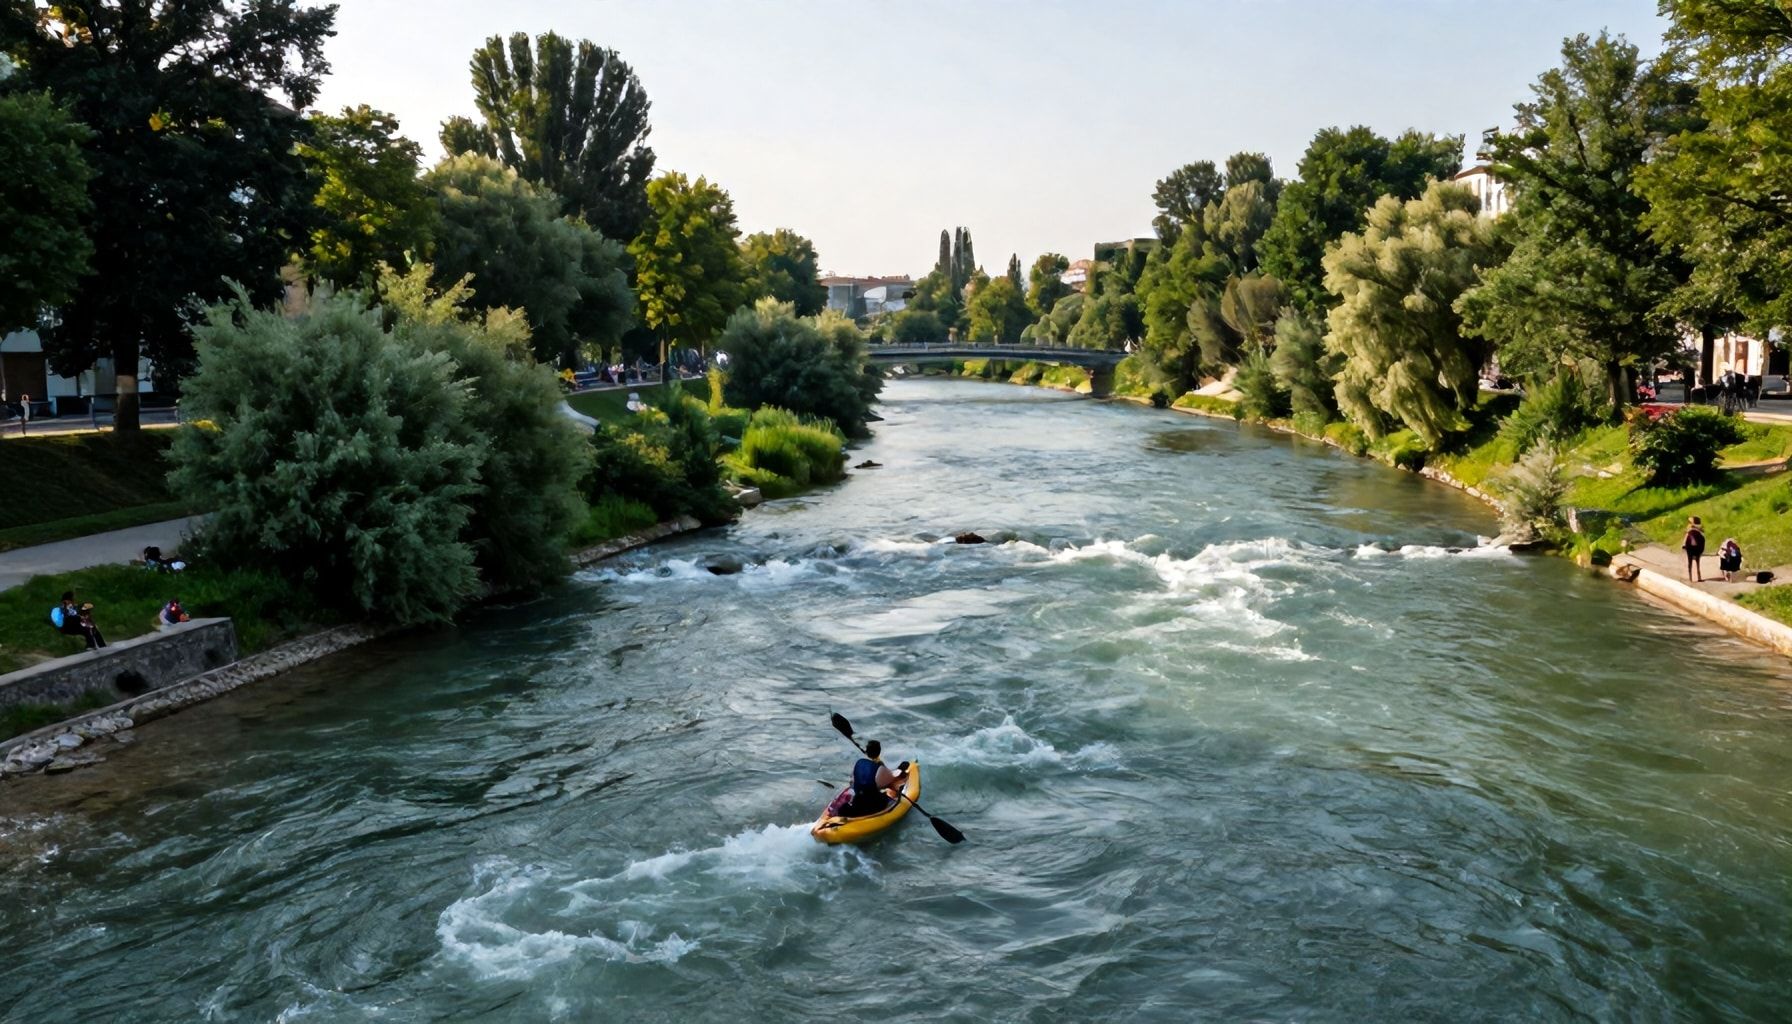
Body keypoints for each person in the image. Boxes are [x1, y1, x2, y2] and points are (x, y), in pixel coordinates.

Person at [843, 739, 908, 817]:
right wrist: (900, 769)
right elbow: (890, 781)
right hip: (873, 805)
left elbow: (852, 781)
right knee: (885, 795)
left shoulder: (859, 762)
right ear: (879, 752)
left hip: (857, 801)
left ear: (866, 751)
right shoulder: (880, 768)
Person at [1682, 515, 1706, 583]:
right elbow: (1687, 531)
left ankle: (1694, 577)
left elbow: (1702, 530)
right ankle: (1697, 577)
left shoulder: (1695, 526)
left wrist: (1693, 527)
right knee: (1688, 535)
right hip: (1694, 538)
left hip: (1694, 538)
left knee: (1688, 535)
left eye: (1690, 521)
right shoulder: (1691, 526)